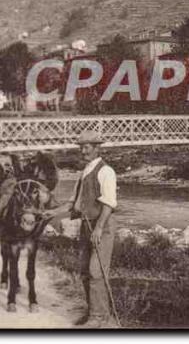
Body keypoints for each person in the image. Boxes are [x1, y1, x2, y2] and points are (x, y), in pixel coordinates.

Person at [47, 131, 117, 328]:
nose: (83, 150)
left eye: (87, 147)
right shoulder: (84, 172)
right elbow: (73, 204)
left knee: (97, 271)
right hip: (87, 225)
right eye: (81, 147)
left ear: (97, 148)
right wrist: (49, 215)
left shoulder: (106, 171)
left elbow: (109, 204)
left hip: (102, 226)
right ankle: (93, 313)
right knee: (85, 270)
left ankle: (100, 318)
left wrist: (99, 228)